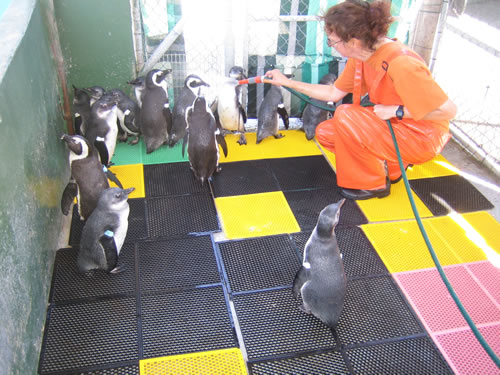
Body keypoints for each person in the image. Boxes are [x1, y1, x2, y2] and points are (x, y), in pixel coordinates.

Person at [265, 0, 457, 200]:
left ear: (353, 41)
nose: (331, 46)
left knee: (346, 115)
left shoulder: (402, 64)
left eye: (332, 41)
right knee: (328, 133)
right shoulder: (362, 56)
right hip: (395, 127)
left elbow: (448, 110)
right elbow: (333, 93)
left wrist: (397, 111)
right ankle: (392, 168)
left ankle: (373, 185)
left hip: (422, 136)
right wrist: (287, 83)